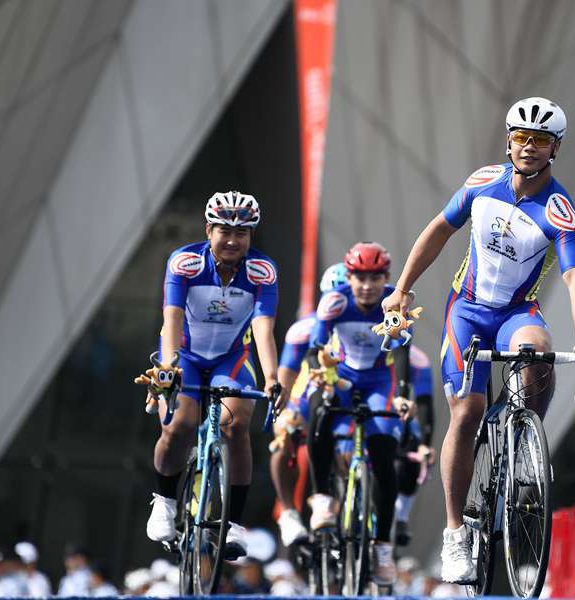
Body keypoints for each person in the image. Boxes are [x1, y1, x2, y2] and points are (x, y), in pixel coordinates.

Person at [381, 97, 575, 583]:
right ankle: (455, 533)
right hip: (466, 310)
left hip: (517, 312)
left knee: (538, 353)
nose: (529, 147)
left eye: (540, 140)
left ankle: (522, 444)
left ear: (555, 149)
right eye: (521, 137)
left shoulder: (560, 212)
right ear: (509, 141)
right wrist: (401, 289)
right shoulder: (483, 183)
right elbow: (439, 230)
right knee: (466, 413)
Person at [143, 191, 288, 559]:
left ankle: (234, 523)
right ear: (209, 231)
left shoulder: (262, 272)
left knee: (236, 426)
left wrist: (272, 377)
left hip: (231, 359)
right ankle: (165, 500)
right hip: (185, 356)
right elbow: (172, 319)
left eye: (242, 233)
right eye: (225, 231)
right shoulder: (185, 264)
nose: (232, 240)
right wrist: (169, 368)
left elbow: (264, 329)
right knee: (179, 425)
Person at [306, 242, 413, 585]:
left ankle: (382, 547)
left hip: (380, 381)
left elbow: (403, 354)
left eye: (375, 278)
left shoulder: (393, 302)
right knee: (318, 412)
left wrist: (403, 395)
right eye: (360, 278)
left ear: (386, 277)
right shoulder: (335, 301)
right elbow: (314, 348)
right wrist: (321, 375)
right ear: (349, 277)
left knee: (384, 457)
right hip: (343, 376)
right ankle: (323, 498)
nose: (367, 286)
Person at [271, 263, 349, 547]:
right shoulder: (304, 329)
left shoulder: (366, 324)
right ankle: (289, 512)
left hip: (347, 395)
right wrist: (283, 412)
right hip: (307, 395)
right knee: (285, 436)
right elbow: (286, 377)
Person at [394, 344, 436, 547]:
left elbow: (425, 402)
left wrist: (425, 444)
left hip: (399, 415)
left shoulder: (418, 360)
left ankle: (401, 516)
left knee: (415, 445)